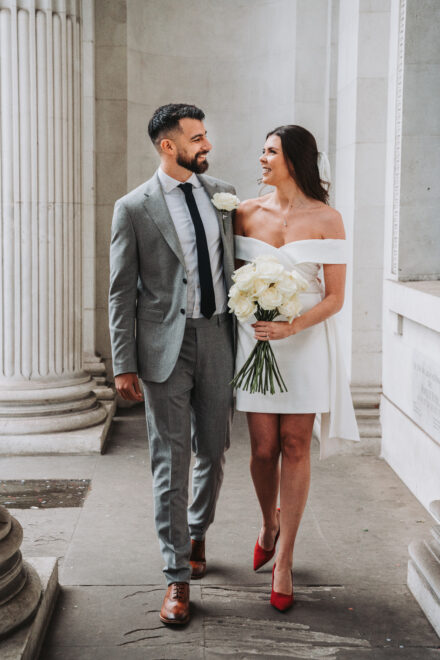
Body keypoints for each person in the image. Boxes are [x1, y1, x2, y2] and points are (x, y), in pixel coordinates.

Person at [109, 103, 236, 626]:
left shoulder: (220, 195)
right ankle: (176, 575)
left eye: (206, 136)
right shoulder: (134, 207)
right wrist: (123, 363)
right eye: (197, 139)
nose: (206, 146)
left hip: (217, 337)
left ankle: (196, 528)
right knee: (170, 457)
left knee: (215, 446)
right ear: (169, 146)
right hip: (164, 345)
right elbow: (120, 292)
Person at [233, 125, 360, 611]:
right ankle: (269, 521)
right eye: (262, 149)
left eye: (271, 151)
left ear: (295, 160)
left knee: (295, 445)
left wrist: (293, 327)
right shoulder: (245, 213)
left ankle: (284, 559)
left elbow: (335, 298)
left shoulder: (329, 218)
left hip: (304, 342)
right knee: (263, 450)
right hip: (256, 341)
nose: (262, 158)